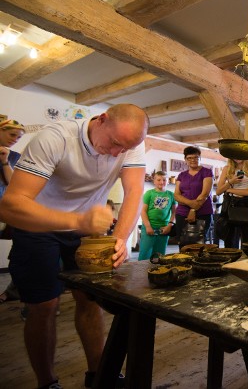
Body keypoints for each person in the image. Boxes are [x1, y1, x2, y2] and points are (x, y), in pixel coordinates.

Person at [0, 103, 148, 389]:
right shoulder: (54, 138)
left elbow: (134, 191)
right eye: (115, 144)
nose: (117, 153)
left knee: (90, 299)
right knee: (44, 305)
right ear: (101, 121)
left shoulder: (130, 142)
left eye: (124, 149)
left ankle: (100, 375)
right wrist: (79, 221)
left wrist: (120, 237)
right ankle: (48, 383)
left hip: (85, 228)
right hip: (38, 225)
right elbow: (11, 206)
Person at [0, 119, 25, 304]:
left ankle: (12, 291)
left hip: (8, 210)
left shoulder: (15, 156)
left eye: (19, 137)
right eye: (12, 135)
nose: (15, 139)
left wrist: (5, 161)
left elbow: (13, 185)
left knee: (20, 251)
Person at [173, 146, 214, 248]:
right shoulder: (181, 175)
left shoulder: (207, 172)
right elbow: (176, 195)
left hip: (202, 212)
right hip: (182, 214)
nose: (193, 160)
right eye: (189, 158)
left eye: (195, 157)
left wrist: (192, 210)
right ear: (185, 160)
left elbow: (205, 194)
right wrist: (191, 203)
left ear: (200, 158)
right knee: (183, 243)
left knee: (199, 244)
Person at [215, 158, 248, 248]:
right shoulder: (227, 168)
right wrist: (231, 182)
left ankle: (246, 261)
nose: (237, 157)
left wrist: (229, 189)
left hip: (246, 204)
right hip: (230, 203)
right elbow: (218, 191)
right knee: (230, 240)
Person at [138, 171, 177, 260]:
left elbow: (174, 212)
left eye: (164, 180)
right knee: (145, 252)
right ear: (154, 181)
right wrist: (148, 226)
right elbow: (143, 211)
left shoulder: (171, 195)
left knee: (159, 254)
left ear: (168, 181)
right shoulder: (149, 193)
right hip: (149, 226)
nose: (161, 182)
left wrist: (169, 225)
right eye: (159, 180)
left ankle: (157, 271)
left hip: (164, 228)